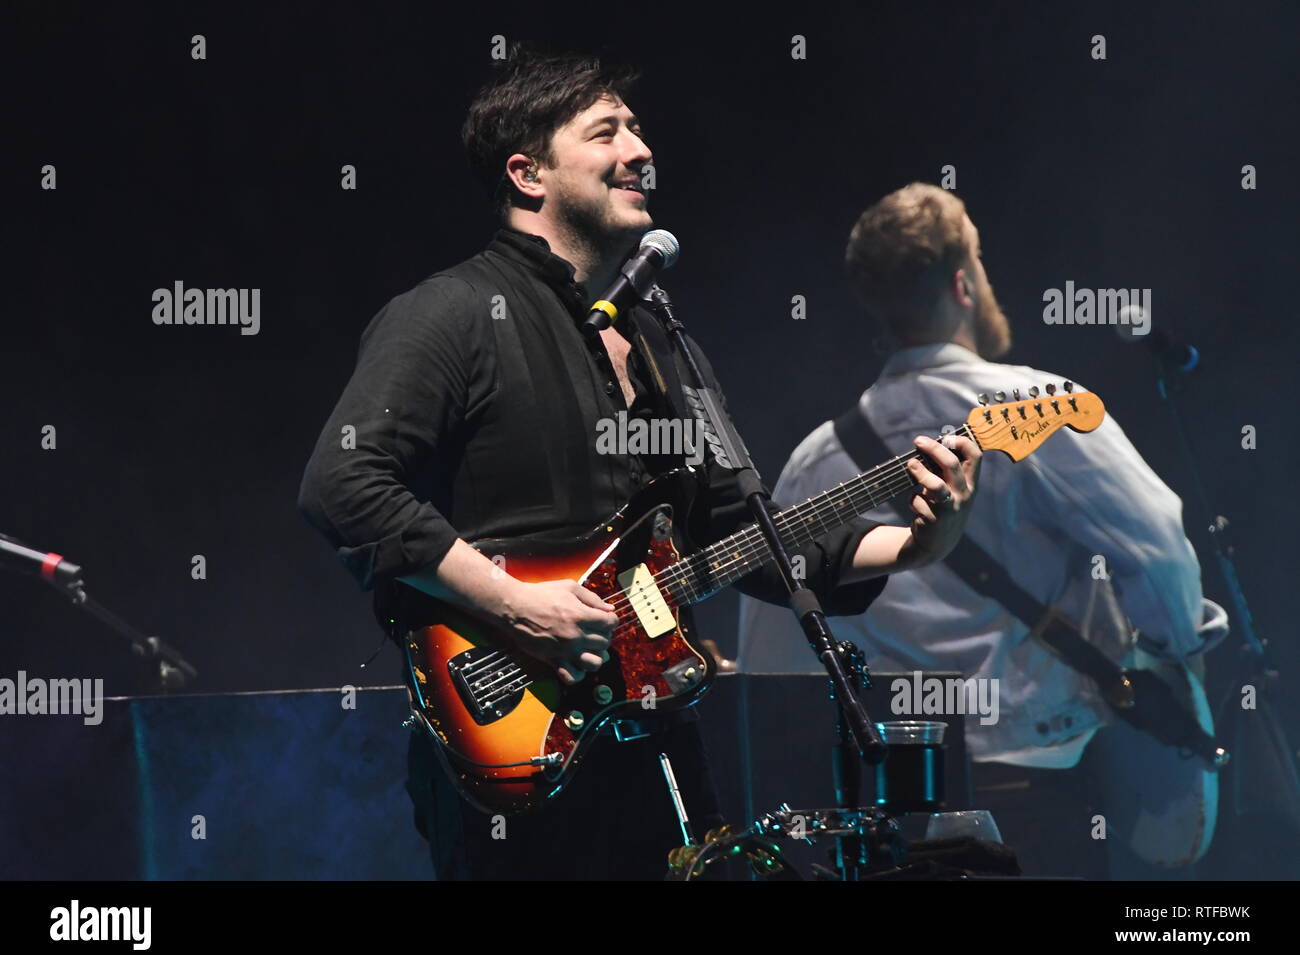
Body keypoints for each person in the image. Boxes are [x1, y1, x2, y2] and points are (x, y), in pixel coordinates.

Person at [297, 55, 981, 880]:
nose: (641, 149)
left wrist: (916, 547)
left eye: (638, 128)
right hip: (515, 749)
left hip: (656, 742)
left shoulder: (662, 343)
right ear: (527, 173)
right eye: (606, 132)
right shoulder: (450, 313)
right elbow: (343, 484)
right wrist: (519, 605)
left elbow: (742, 530)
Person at [738, 182, 1228, 879]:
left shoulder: (813, 460)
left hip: (889, 817)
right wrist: (1174, 654)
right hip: (1036, 791)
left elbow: (774, 658)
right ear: (964, 283)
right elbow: (1157, 548)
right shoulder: (1038, 404)